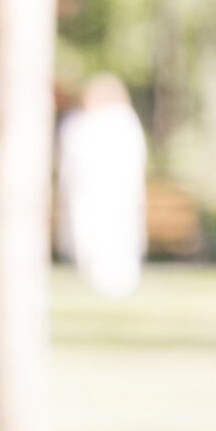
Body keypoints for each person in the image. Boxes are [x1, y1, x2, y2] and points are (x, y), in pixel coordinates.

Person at [56, 72, 148, 298]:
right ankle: (102, 278)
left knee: (110, 233)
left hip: (104, 196)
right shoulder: (118, 123)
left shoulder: (109, 122)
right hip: (100, 197)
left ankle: (112, 280)